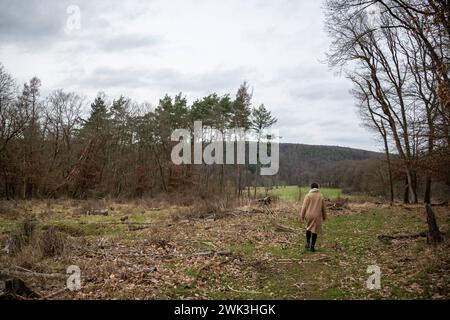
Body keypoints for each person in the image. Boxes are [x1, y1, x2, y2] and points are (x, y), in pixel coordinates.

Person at [300, 183, 327, 252]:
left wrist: (302, 216)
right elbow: (324, 207)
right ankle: (312, 247)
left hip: (309, 215)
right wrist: (324, 216)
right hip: (317, 215)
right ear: (317, 188)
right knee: (315, 230)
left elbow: (304, 207)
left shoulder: (308, 195)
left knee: (308, 227)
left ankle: (308, 243)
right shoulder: (320, 196)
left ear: (311, 188)